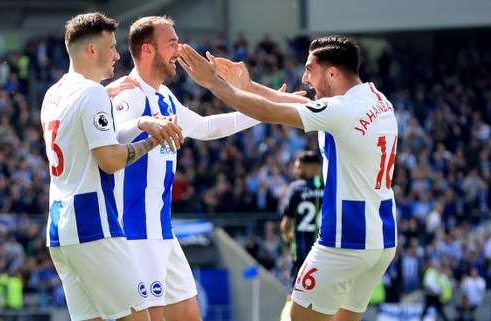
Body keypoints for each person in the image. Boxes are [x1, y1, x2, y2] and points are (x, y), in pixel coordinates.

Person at [178, 35, 398, 321]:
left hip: (346, 240)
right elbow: (293, 103)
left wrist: (212, 83)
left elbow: (269, 112)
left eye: (310, 69)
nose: (305, 78)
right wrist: (246, 86)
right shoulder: (376, 100)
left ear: (332, 72)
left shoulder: (342, 110)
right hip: (382, 239)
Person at [111, 16, 259, 321]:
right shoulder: (128, 92)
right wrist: (141, 122)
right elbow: (110, 134)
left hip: (162, 230)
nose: (179, 50)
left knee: (189, 315)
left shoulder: (164, 96)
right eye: (172, 43)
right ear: (148, 50)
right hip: (137, 231)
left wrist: (266, 112)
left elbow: (205, 127)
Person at [40, 12, 182, 321]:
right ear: (91, 50)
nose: (117, 55)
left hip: (60, 229)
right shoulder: (92, 93)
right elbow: (110, 160)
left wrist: (137, 123)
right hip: (94, 226)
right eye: (111, 47)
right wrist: (151, 141)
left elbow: (89, 140)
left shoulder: (53, 95)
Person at [280, 150, 324, 321]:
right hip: (325, 252)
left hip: (301, 250)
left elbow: (286, 223)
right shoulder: (329, 187)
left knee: (294, 293)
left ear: (312, 168)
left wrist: (286, 235)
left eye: (299, 168)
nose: (295, 171)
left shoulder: (296, 188)